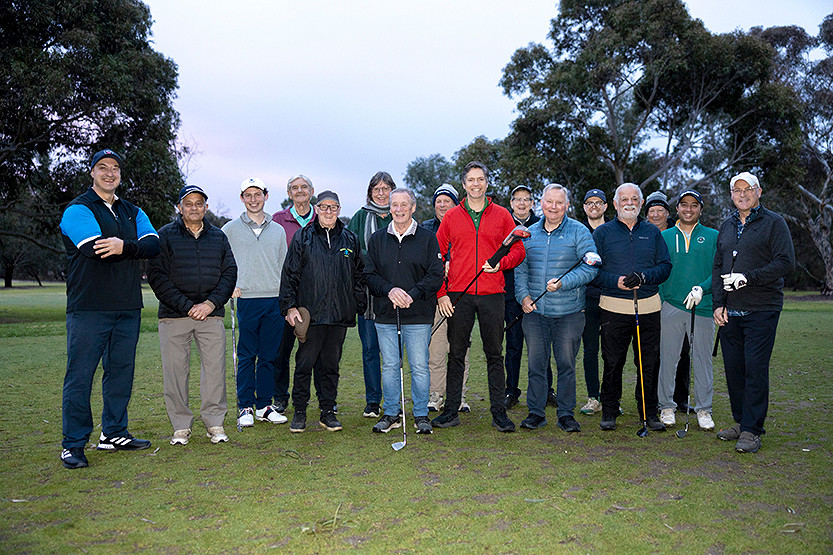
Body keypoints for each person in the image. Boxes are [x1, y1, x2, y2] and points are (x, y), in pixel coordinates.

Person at [58, 149, 160, 469]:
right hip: (89, 308)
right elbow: (94, 248)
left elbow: (154, 244)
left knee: (120, 374)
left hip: (128, 306)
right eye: (102, 167)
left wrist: (123, 246)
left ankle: (114, 433)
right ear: (92, 173)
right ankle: (73, 443)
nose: (110, 173)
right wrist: (130, 247)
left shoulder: (132, 210)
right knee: (81, 377)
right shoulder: (78, 209)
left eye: (115, 168)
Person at [431, 161, 525, 432]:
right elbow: (436, 256)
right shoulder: (451, 217)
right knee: (456, 353)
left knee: (494, 353)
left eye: (480, 179)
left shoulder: (502, 215)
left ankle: (499, 412)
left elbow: (518, 250)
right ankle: (451, 411)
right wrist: (441, 294)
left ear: (487, 182)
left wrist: (501, 264)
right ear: (464, 184)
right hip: (459, 293)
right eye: (470, 180)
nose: (476, 184)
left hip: (492, 293)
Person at [147, 185, 236, 445]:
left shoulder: (218, 237)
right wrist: (188, 306)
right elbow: (157, 276)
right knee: (175, 372)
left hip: (211, 315)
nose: (194, 207)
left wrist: (209, 304)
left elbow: (229, 273)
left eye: (199, 203)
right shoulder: (164, 236)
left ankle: (215, 423)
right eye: (188, 203)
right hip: (175, 316)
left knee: (215, 371)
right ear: (180, 207)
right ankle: (181, 426)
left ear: (206, 207)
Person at [713, 172, 794, 454]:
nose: (742, 194)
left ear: (759, 192)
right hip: (730, 312)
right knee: (735, 370)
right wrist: (718, 304)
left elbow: (785, 262)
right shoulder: (726, 226)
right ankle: (741, 421)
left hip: (762, 308)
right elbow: (718, 267)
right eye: (737, 190)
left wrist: (748, 277)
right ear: (731, 195)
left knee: (755, 370)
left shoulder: (774, 223)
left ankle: (752, 430)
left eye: (748, 189)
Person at [515, 184, 599, 432]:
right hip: (535, 313)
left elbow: (591, 266)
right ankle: (536, 413)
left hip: (569, 313)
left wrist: (564, 283)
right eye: (549, 202)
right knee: (536, 365)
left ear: (567, 205)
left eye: (559, 203)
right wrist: (523, 297)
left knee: (566, 365)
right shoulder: (528, 234)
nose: (553, 207)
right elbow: (520, 270)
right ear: (541, 203)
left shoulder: (579, 231)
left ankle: (565, 414)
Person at [281, 191, 365, 433]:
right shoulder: (302, 237)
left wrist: (356, 304)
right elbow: (290, 275)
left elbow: (359, 275)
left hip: (338, 315)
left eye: (334, 207)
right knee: (305, 363)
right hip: (310, 314)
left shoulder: (350, 239)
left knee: (331, 365)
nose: (329, 212)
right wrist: (289, 306)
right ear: (316, 208)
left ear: (339, 209)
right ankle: (299, 411)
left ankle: (327, 411)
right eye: (324, 207)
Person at [592, 183, 671, 432]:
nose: (629, 203)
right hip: (613, 308)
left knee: (648, 363)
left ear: (641, 202)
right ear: (615, 204)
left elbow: (665, 266)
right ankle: (610, 411)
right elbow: (592, 270)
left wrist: (645, 277)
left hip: (648, 308)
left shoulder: (653, 232)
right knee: (612, 362)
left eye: (634, 199)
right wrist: (614, 281)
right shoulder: (602, 233)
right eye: (624, 199)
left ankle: (649, 413)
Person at [365, 188, 444, 435]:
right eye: (394, 205)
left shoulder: (428, 238)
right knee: (389, 366)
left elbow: (435, 275)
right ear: (390, 209)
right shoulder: (377, 239)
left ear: (412, 208)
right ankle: (391, 413)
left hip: (418, 314)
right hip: (386, 315)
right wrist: (389, 291)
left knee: (419, 366)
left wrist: (413, 294)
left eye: (403, 205)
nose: (398, 210)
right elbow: (368, 274)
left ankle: (420, 414)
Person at [222, 178, 288, 427]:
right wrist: (230, 285)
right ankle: (245, 406)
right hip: (246, 298)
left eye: (257, 194)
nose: (253, 199)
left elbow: (284, 265)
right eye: (248, 195)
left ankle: (264, 406)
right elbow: (223, 262)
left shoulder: (278, 230)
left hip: (274, 298)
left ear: (265, 196)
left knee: (269, 356)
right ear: (242, 198)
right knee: (248, 355)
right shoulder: (230, 229)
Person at [657, 190, 718, 430]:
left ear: (700, 209)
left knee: (703, 361)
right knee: (668, 360)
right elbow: (660, 270)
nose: (689, 209)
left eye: (694, 205)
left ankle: (704, 410)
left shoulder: (712, 236)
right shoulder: (665, 236)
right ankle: (666, 407)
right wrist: (662, 300)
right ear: (678, 209)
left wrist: (702, 289)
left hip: (702, 308)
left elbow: (718, 271)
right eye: (684, 205)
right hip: (671, 306)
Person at [347, 172, 394, 418]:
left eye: (386, 188)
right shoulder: (360, 217)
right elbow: (352, 251)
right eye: (376, 188)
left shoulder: (400, 214)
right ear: (370, 191)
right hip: (368, 297)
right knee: (370, 350)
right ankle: (373, 401)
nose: (381, 193)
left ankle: (394, 401)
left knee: (393, 353)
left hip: (396, 296)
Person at [503, 185, 555, 410]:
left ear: (533, 203)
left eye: (526, 199)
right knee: (513, 346)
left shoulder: (542, 225)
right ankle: (511, 391)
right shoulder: (505, 224)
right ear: (511, 203)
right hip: (510, 295)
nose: (522, 203)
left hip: (536, 294)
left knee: (541, 346)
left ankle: (546, 391)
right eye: (517, 199)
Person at [421, 184, 472, 413]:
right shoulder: (424, 230)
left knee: (460, 348)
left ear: (455, 203)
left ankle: (458, 395)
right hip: (435, 298)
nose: (442, 205)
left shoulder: (465, 224)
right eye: (438, 201)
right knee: (436, 347)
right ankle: (436, 393)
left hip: (462, 297)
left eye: (447, 201)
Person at [271, 174, 316, 412]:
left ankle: (322, 397)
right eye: (295, 188)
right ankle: (280, 397)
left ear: (311, 191)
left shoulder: (322, 217)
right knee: (282, 350)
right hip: (286, 295)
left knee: (315, 352)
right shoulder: (278, 220)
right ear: (289, 193)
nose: (300, 191)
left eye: (304, 187)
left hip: (315, 297)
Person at [645, 189, 691, 412]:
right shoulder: (643, 236)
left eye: (660, 210)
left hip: (675, 301)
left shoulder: (677, 234)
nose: (656, 215)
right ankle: (653, 397)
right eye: (652, 211)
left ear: (667, 212)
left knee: (681, 352)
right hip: (650, 300)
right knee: (652, 352)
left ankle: (681, 397)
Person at [578, 188, 607, 415]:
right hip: (586, 299)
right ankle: (593, 397)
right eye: (589, 203)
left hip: (612, 298)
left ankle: (610, 397)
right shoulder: (579, 231)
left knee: (611, 350)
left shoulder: (613, 231)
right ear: (584, 207)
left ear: (606, 206)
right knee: (590, 350)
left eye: (598, 202)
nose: (594, 206)